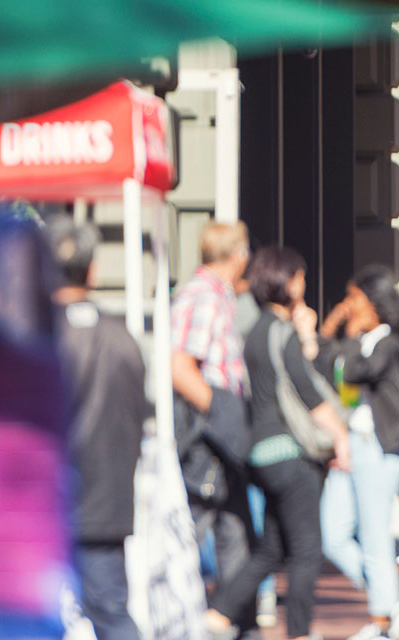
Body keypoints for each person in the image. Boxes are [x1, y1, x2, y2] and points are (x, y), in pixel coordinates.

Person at [205, 247, 351, 640]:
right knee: (306, 550)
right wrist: (341, 436)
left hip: (261, 452)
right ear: (286, 283)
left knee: (272, 548)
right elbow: (308, 390)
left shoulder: (254, 332)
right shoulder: (281, 332)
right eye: (300, 277)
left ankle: (218, 614)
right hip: (289, 451)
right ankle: (300, 633)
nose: (303, 285)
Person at [48, 217, 146, 640]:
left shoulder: (33, 334)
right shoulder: (121, 335)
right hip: (105, 506)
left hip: (43, 505)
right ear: (92, 270)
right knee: (111, 613)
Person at [318, 265, 399, 640]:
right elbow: (333, 377)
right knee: (331, 534)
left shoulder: (390, 343)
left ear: (374, 303)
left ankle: (383, 620)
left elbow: (354, 371)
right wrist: (332, 329)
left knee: (374, 536)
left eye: (354, 299)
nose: (348, 306)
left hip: (381, 450)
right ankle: (392, 602)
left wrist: (344, 335)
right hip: (353, 446)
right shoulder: (364, 340)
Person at [170, 222, 256, 632]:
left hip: (221, 432)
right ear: (237, 254)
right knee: (196, 530)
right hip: (209, 436)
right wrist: (221, 415)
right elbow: (181, 367)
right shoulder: (203, 297)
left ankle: (238, 624)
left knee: (236, 534)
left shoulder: (218, 296)